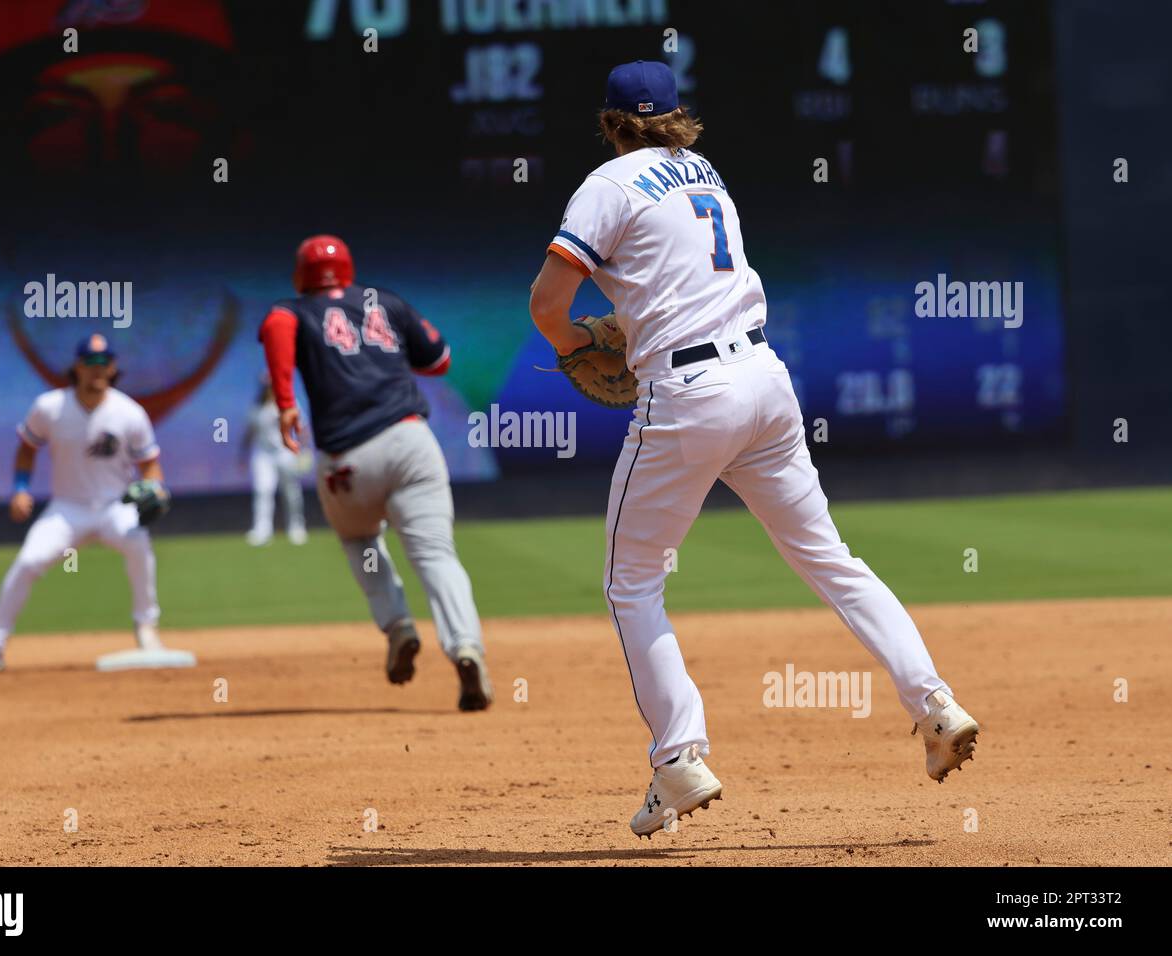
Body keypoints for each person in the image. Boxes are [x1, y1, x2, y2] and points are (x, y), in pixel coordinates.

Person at [528, 61, 980, 837]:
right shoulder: (703, 169)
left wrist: (576, 349)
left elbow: (547, 304)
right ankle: (935, 702)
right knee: (830, 558)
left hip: (689, 394)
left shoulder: (607, 184)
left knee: (630, 583)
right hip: (765, 380)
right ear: (677, 116)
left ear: (608, 121)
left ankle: (678, 756)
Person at [258, 235, 492, 711]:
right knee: (436, 556)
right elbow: (439, 359)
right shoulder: (385, 301)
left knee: (361, 540)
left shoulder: (293, 310)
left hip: (347, 461)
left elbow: (276, 326)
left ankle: (398, 625)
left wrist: (285, 404)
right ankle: (465, 647)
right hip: (410, 443)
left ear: (301, 275)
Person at [0, 334, 179, 671]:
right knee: (28, 561)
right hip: (67, 509)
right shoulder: (49, 407)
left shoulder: (129, 412)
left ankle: (146, 628)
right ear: (76, 367)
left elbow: (150, 463)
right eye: (90, 362)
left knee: (138, 542)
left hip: (115, 506)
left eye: (103, 363)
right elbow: (26, 447)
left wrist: (156, 488)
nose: (97, 369)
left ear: (113, 368)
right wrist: (20, 488)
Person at [243, 376, 309, 546]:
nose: (270, 389)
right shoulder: (257, 408)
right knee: (263, 490)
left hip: (285, 452)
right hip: (263, 455)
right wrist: (242, 455)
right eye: (267, 386)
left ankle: (296, 527)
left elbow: (301, 429)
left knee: (291, 492)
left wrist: (305, 451)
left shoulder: (289, 404)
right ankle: (262, 530)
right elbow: (249, 433)